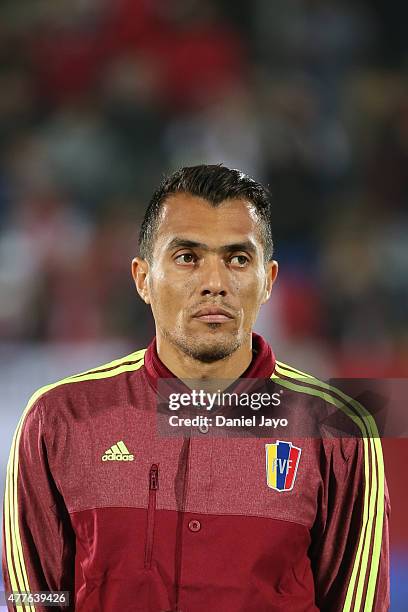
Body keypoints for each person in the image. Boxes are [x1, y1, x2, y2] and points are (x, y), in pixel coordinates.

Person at [2, 164, 389, 611]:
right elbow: (35, 596)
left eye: (238, 259)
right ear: (142, 278)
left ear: (269, 281)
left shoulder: (338, 431)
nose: (214, 284)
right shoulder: (59, 419)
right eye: (187, 257)